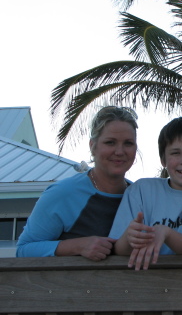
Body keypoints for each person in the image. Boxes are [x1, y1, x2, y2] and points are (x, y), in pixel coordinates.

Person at [16, 106, 138, 260]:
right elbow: (24, 249)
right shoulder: (63, 193)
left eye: (128, 143)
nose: (120, 151)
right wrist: (77, 246)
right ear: (92, 146)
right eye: (110, 142)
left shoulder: (140, 197)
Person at [109, 117, 182, 270]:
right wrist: (130, 238)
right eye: (175, 153)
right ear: (163, 160)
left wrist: (166, 233)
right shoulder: (141, 189)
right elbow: (118, 249)